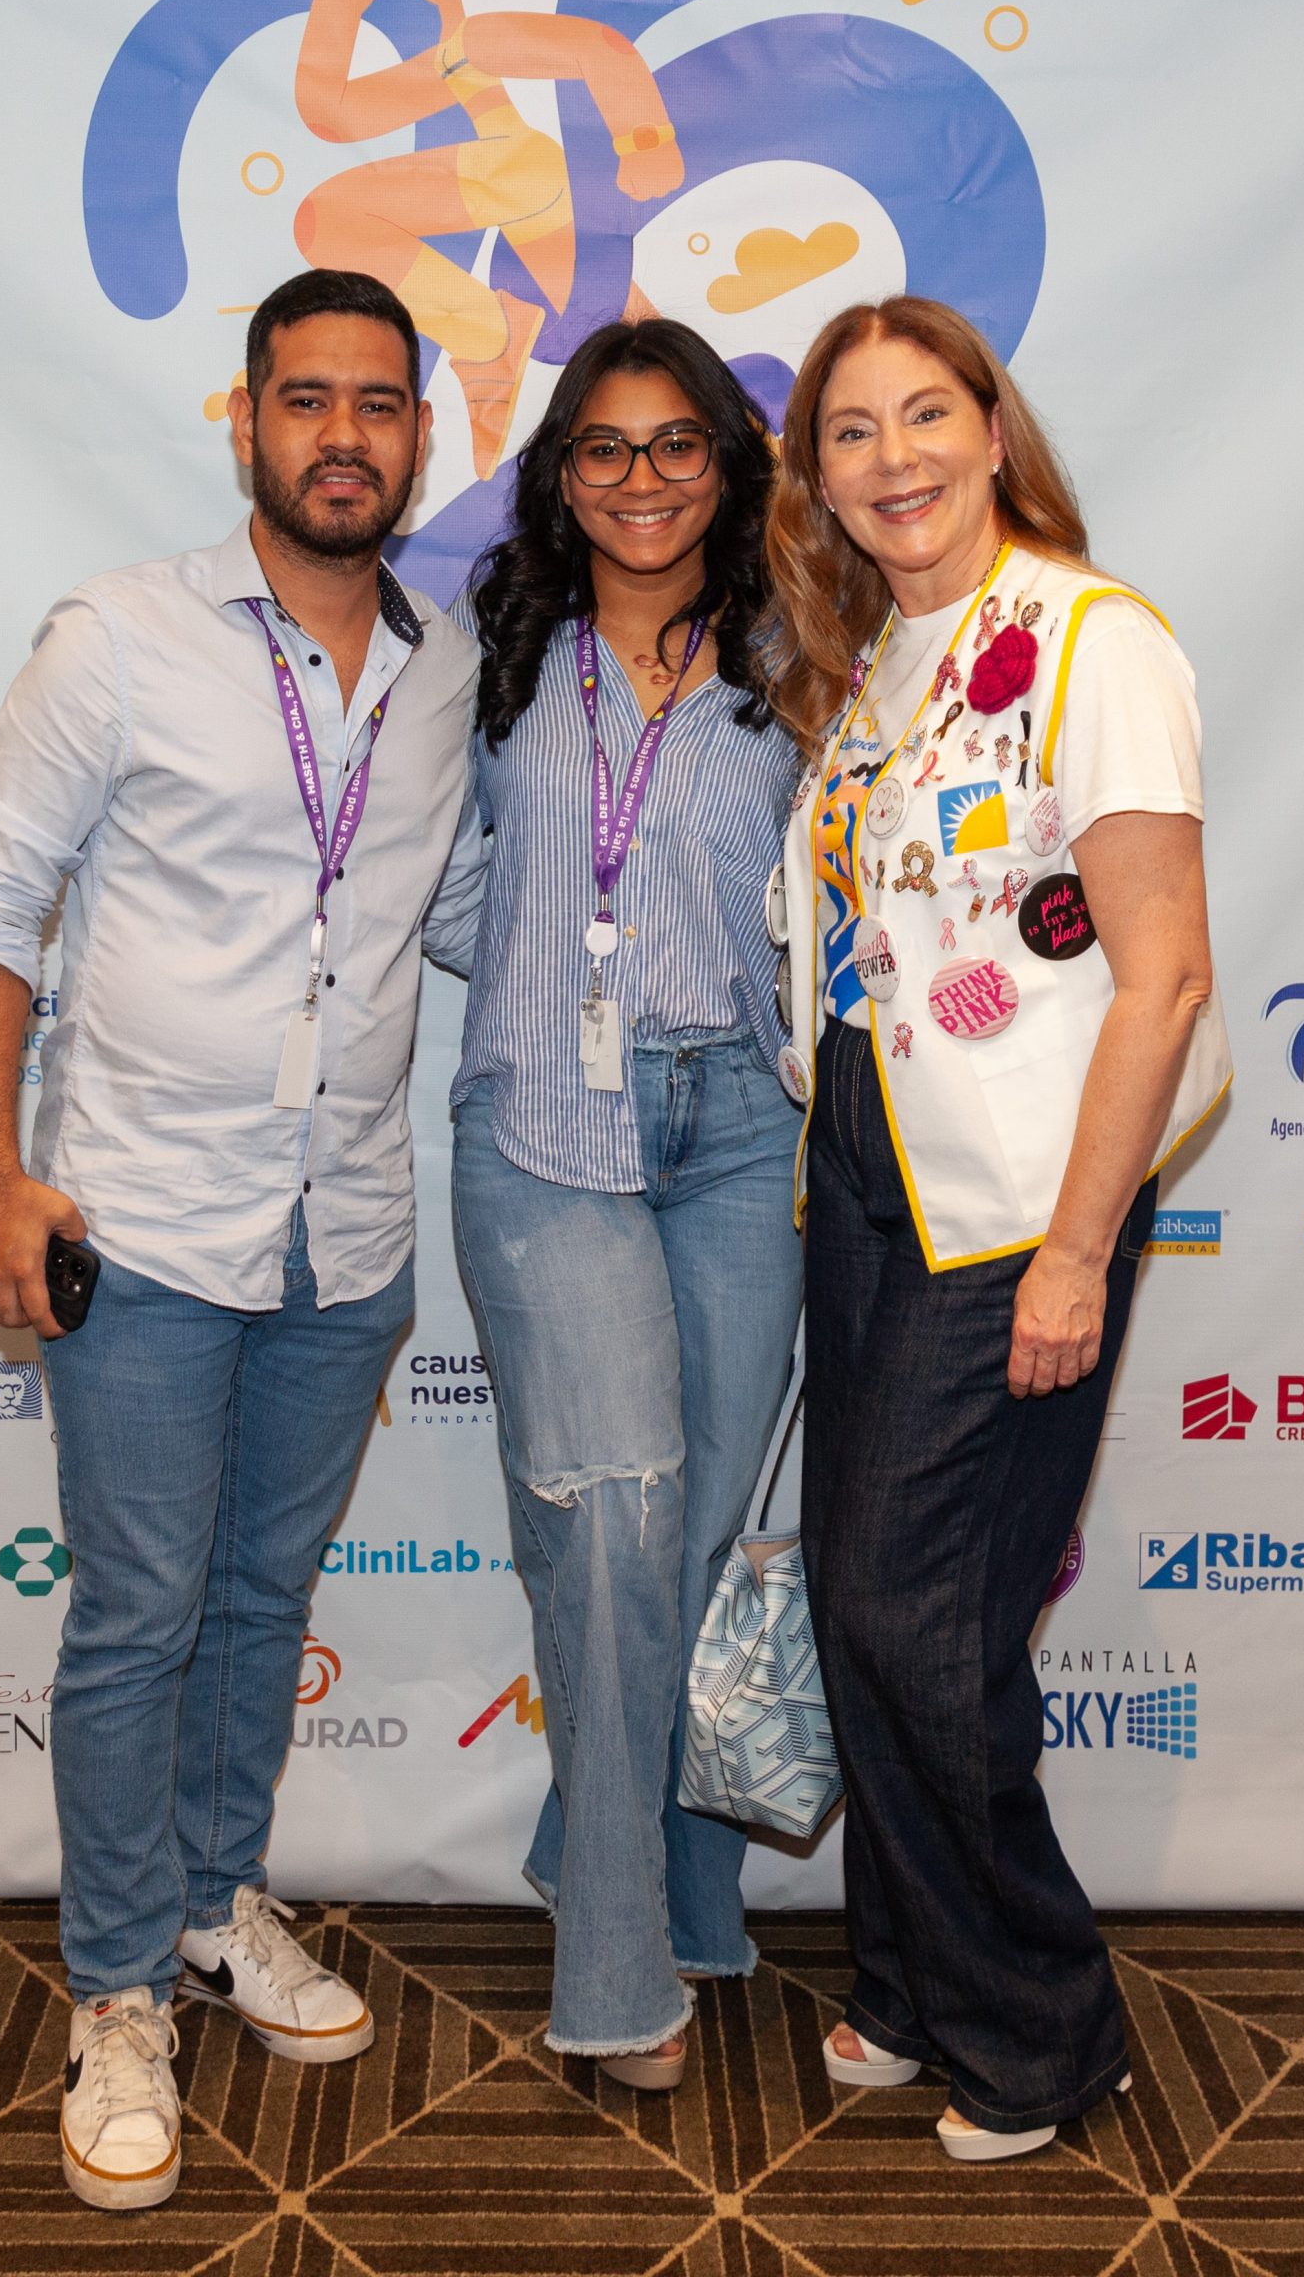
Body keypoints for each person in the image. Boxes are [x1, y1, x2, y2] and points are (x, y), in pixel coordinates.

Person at [0, 269, 483, 2213]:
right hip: (145, 1220)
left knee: (258, 1596)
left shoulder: (445, 668)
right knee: (139, 1611)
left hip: (346, 1226)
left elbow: (454, 907)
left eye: (378, 404)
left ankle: (213, 1902)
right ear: (244, 420)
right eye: (305, 398)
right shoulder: (120, 637)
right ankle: (112, 1991)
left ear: (420, 435)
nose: (343, 435)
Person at [758, 296, 1230, 2161]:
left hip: (1019, 1204)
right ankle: (908, 1979)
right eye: (849, 432)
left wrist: (1073, 1253)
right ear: (817, 479)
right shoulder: (885, 656)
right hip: (873, 1166)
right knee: (865, 1603)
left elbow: (1163, 979)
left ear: (990, 425)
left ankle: (1039, 2025)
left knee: (921, 1615)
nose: (891, 459)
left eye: (922, 415)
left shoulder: (1092, 641)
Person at [449, 317, 801, 2084]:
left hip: (744, 1131)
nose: (642, 479)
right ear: (560, 473)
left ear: (727, 467)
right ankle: (611, 1969)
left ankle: (662, 1877)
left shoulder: (805, 660)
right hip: (543, 1125)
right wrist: (544, 967)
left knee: (701, 1539)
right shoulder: (495, 657)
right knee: (607, 1532)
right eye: (604, 445)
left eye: (678, 445)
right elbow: (436, 879)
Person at [293, 0, 683, 475]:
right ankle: (486, 340)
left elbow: (602, 47)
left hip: (525, 173)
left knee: (328, 218)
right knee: (636, 339)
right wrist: (341, 3)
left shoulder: (482, 38)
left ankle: (484, 339)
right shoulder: (454, 54)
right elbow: (333, 114)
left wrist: (646, 140)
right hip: (529, 190)